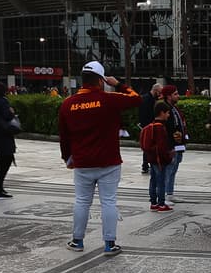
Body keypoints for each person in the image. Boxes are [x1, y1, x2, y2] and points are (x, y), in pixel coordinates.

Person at [57, 61, 140, 255]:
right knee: (109, 202)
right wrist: (118, 84)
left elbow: (64, 136)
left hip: (82, 162)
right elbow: (136, 99)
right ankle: (109, 244)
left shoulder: (68, 104)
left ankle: (77, 241)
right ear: (102, 81)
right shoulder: (109, 99)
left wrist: (67, 158)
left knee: (81, 201)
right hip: (109, 161)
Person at [139, 100, 174, 211]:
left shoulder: (151, 125)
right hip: (160, 160)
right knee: (161, 181)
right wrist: (168, 157)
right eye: (167, 113)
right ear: (162, 113)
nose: (168, 115)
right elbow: (162, 146)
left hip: (151, 158)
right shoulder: (160, 128)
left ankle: (153, 202)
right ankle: (161, 203)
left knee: (153, 180)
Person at [161, 84, 188, 204]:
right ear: (168, 96)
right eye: (175, 94)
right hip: (171, 145)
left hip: (178, 144)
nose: (178, 96)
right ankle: (163, 196)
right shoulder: (165, 108)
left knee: (173, 170)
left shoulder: (174, 108)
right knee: (168, 170)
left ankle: (170, 193)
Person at [138, 83, 163, 174]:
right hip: (148, 125)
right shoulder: (146, 99)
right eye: (159, 92)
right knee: (148, 145)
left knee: (151, 146)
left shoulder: (152, 99)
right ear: (155, 90)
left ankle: (148, 164)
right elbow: (145, 114)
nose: (160, 94)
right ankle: (145, 165)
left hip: (150, 125)